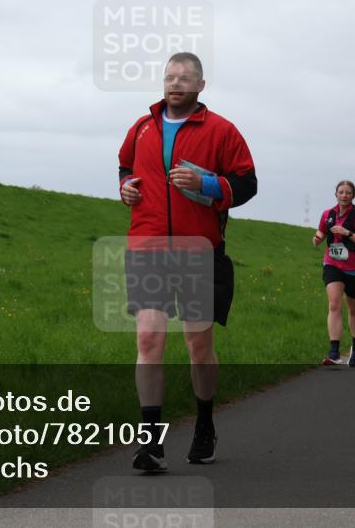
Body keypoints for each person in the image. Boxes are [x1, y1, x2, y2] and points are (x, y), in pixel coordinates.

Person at [118, 52, 257, 471]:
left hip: (199, 252)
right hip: (148, 250)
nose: (175, 83)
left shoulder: (222, 131)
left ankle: (204, 424)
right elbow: (125, 167)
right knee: (148, 341)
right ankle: (151, 442)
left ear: (200, 85)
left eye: (184, 77)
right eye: (169, 77)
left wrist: (207, 183)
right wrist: (126, 187)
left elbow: (247, 183)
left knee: (198, 346)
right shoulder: (142, 128)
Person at [312, 180, 355, 366]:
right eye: (341, 192)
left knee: (354, 309)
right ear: (336, 194)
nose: (344, 195)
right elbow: (322, 230)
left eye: (348, 192)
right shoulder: (327, 214)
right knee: (334, 305)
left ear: (353, 196)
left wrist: (348, 233)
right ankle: (334, 352)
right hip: (333, 264)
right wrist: (317, 238)